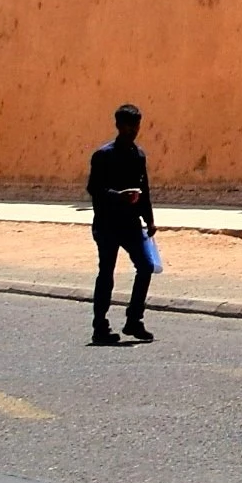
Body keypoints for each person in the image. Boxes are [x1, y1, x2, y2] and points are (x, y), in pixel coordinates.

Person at [87, 103, 159, 346]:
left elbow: (145, 190)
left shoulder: (138, 155)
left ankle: (133, 320)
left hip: (131, 224)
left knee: (146, 266)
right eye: (129, 125)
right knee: (106, 273)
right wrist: (119, 196)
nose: (133, 130)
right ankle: (100, 327)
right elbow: (94, 190)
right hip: (107, 225)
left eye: (136, 125)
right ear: (118, 126)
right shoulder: (103, 155)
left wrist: (149, 220)